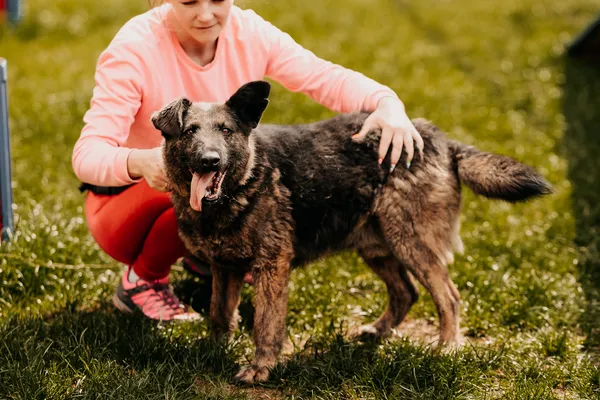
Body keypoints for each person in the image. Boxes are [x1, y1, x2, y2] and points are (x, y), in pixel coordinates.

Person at [72, 0, 425, 321]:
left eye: (218, 0)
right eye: (189, 1)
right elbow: (87, 155)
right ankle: (143, 281)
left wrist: (385, 101)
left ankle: (210, 262)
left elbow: (322, 77)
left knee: (244, 175)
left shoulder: (247, 32)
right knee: (190, 184)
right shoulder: (135, 47)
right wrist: (141, 161)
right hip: (127, 205)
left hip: (210, 192)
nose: (207, 14)